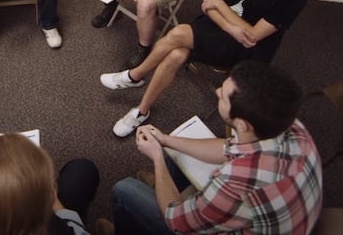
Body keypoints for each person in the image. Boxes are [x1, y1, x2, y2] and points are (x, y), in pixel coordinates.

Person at [100, 0, 309, 137]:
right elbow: (208, 3)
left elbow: (253, 35)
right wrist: (228, 23)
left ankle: (134, 76)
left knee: (178, 33)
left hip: (246, 49)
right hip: (220, 25)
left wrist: (221, 7)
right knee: (176, 54)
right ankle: (141, 111)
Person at [98, 61, 322, 234]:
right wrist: (165, 140)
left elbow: (177, 222)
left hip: (206, 222)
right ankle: (161, 186)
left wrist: (157, 157)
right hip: (282, 216)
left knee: (124, 190)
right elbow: (228, 148)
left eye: (223, 96)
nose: (217, 92)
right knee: (174, 153)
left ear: (242, 124)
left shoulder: (235, 183)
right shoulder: (288, 126)